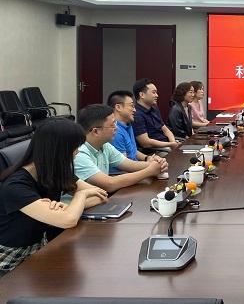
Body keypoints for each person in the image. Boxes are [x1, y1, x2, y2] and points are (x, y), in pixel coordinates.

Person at [0, 119, 108, 277]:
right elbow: (69, 220)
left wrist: (69, 208)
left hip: (40, 246)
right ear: (59, 150)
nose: (77, 152)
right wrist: (80, 196)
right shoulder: (16, 186)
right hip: (11, 258)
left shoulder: (54, 171)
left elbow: (101, 195)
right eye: (74, 147)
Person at [74, 104, 168, 193]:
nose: (117, 128)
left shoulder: (105, 145)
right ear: (96, 131)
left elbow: (130, 165)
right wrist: (149, 171)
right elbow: (110, 184)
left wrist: (156, 164)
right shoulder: (79, 153)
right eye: (112, 125)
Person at [107, 90, 168, 166]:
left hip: (134, 168)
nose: (135, 110)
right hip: (124, 172)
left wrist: (147, 158)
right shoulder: (115, 131)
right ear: (118, 107)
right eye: (132, 106)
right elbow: (125, 165)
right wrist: (150, 165)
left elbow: (133, 151)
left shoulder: (128, 125)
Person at [132, 78, 181, 152]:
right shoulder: (136, 114)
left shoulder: (154, 108)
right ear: (142, 95)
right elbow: (145, 143)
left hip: (167, 144)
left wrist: (173, 142)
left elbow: (165, 129)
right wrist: (170, 144)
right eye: (154, 92)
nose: (157, 95)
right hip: (154, 150)